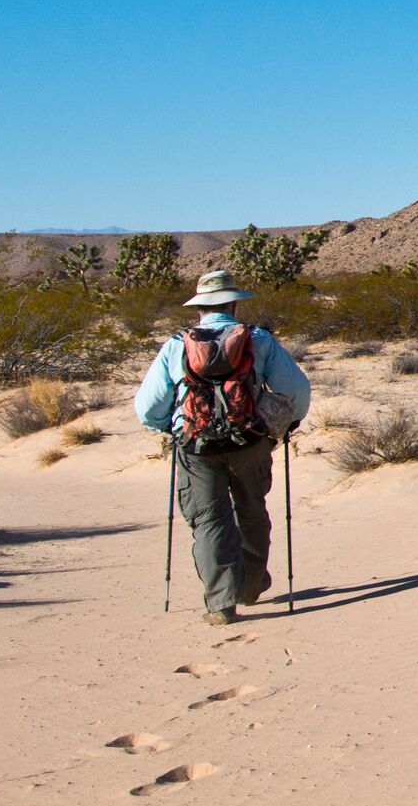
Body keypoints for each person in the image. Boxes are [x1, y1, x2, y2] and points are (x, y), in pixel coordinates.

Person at [132, 267, 313, 624]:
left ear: (199, 307)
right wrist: (287, 423)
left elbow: (148, 407)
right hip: (249, 440)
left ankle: (221, 603)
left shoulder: (176, 344)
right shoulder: (258, 339)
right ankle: (250, 587)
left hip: (196, 446)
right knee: (251, 509)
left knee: (210, 520)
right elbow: (297, 391)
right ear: (233, 304)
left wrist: (168, 428)